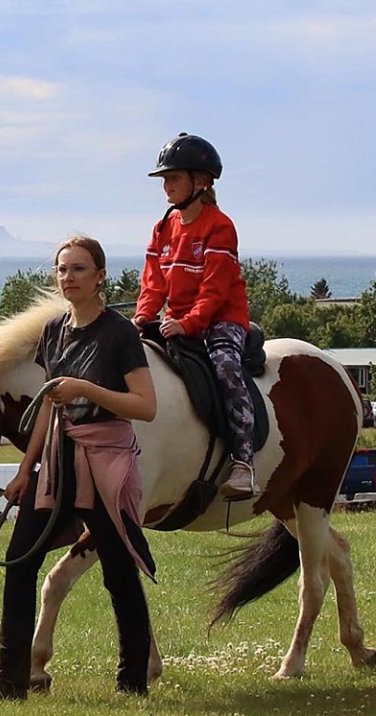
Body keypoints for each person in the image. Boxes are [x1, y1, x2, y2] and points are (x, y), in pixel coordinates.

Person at [0, 235, 158, 702]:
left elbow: (145, 406)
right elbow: (50, 404)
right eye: (62, 269)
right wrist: (26, 469)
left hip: (105, 459)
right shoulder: (54, 330)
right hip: (56, 460)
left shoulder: (120, 333)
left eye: (79, 269)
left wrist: (87, 389)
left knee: (117, 570)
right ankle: (10, 680)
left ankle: (132, 683)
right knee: (20, 560)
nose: (68, 277)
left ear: (101, 276)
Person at [132, 132, 257, 498]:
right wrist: (142, 318)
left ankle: (244, 464)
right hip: (178, 319)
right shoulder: (163, 227)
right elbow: (153, 283)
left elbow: (215, 291)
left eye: (173, 178)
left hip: (222, 320)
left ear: (200, 182)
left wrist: (187, 323)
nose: (166, 186)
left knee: (225, 368)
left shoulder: (220, 227)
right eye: (165, 179)